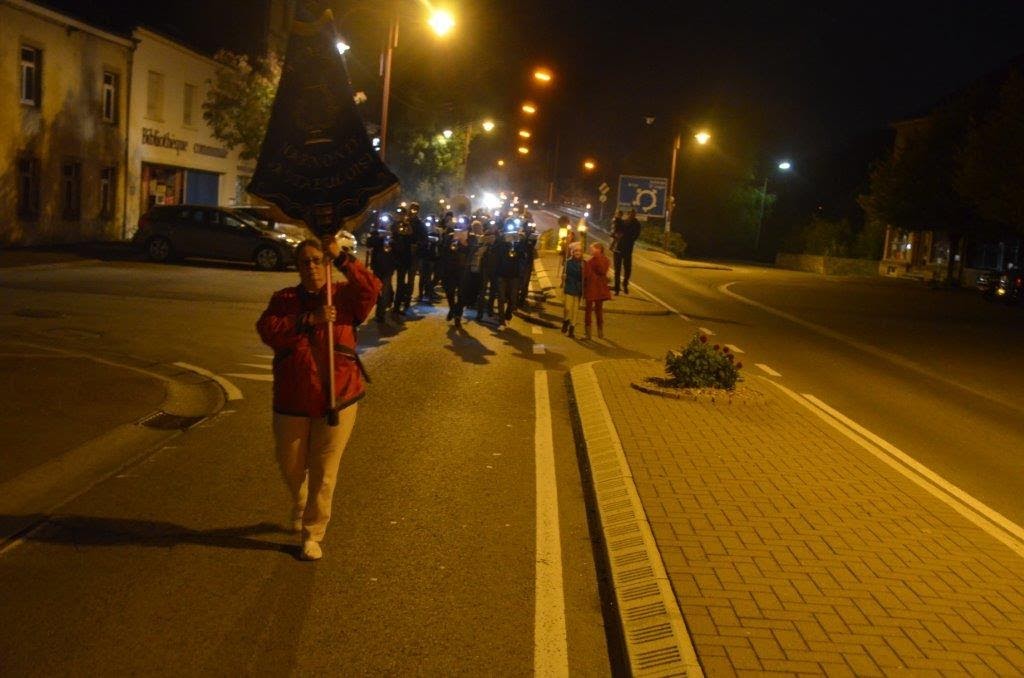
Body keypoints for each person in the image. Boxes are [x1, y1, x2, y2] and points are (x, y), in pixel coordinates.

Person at [256, 236, 382, 561]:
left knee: (325, 470)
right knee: (292, 464)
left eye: (317, 260)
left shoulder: (344, 295)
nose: (311, 267)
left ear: (326, 265)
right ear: (298, 268)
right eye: (304, 262)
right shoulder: (284, 299)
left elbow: (371, 288)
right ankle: (301, 498)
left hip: (337, 397)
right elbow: (268, 329)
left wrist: (341, 256)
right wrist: (307, 320)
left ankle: (312, 533)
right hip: (292, 398)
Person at [365, 221, 396, 323]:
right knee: (377, 290)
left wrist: (393, 238)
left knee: (385, 290)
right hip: (378, 267)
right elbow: (368, 243)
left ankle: (380, 313)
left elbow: (399, 247)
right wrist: (380, 237)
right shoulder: (376, 233)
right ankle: (385, 303)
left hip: (389, 267)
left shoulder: (395, 231)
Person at [583, 242, 612, 339]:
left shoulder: (591, 261)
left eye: (592, 249)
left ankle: (588, 333)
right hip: (600, 288)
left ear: (598, 249)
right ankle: (600, 332)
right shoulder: (606, 260)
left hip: (592, 287)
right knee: (598, 310)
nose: (591, 251)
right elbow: (604, 271)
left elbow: (586, 275)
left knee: (588, 310)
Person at [614, 208, 641, 295]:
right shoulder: (625, 222)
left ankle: (622, 285)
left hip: (624, 249)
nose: (631, 215)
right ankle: (618, 288)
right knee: (620, 270)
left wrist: (618, 219)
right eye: (630, 214)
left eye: (632, 214)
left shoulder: (635, 224)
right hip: (622, 249)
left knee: (624, 269)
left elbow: (635, 236)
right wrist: (618, 219)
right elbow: (616, 230)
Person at [561, 242, 584, 338]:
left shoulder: (583, 264)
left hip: (578, 288)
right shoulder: (568, 262)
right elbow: (563, 275)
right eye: (576, 251)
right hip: (569, 286)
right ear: (572, 252)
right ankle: (566, 320)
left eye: (579, 251)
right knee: (567, 307)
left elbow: (585, 276)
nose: (578, 253)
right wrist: (563, 277)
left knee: (575, 310)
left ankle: (572, 328)